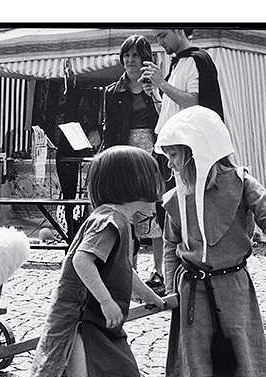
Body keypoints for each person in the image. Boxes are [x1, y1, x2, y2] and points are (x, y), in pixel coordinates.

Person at [156, 107, 266, 377]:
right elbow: (170, 244)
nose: (170, 165)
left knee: (234, 345)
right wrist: (171, 282)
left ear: (196, 151)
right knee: (197, 349)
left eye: (174, 155)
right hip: (192, 288)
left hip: (232, 284)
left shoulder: (243, 183)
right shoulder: (178, 198)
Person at [20, 146, 166, 377]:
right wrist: (106, 300)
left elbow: (124, 272)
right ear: (133, 186)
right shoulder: (109, 220)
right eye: (153, 190)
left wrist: (153, 298)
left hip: (100, 321)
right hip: (81, 320)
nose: (157, 202)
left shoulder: (120, 222)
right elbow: (82, 260)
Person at [140, 28, 225, 295]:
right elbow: (169, 111)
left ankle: (192, 271)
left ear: (179, 29)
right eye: (157, 37)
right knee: (172, 212)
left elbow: (196, 104)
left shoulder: (197, 60)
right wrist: (156, 91)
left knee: (188, 210)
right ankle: (173, 274)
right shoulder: (177, 62)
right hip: (170, 150)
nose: (160, 42)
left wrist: (162, 84)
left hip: (188, 151)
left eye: (163, 35)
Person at [101, 35, 164, 293]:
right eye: (127, 56)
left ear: (145, 59)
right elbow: (108, 130)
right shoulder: (112, 91)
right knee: (127, 212)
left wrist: (157, 93)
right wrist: (106, 161)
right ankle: (130, 269)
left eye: (135, 56)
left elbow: (167, 118)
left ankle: (159, 270)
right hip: (125, 155)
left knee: (155, 210)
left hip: (153, 153)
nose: (130, 61)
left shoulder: (155, 88)